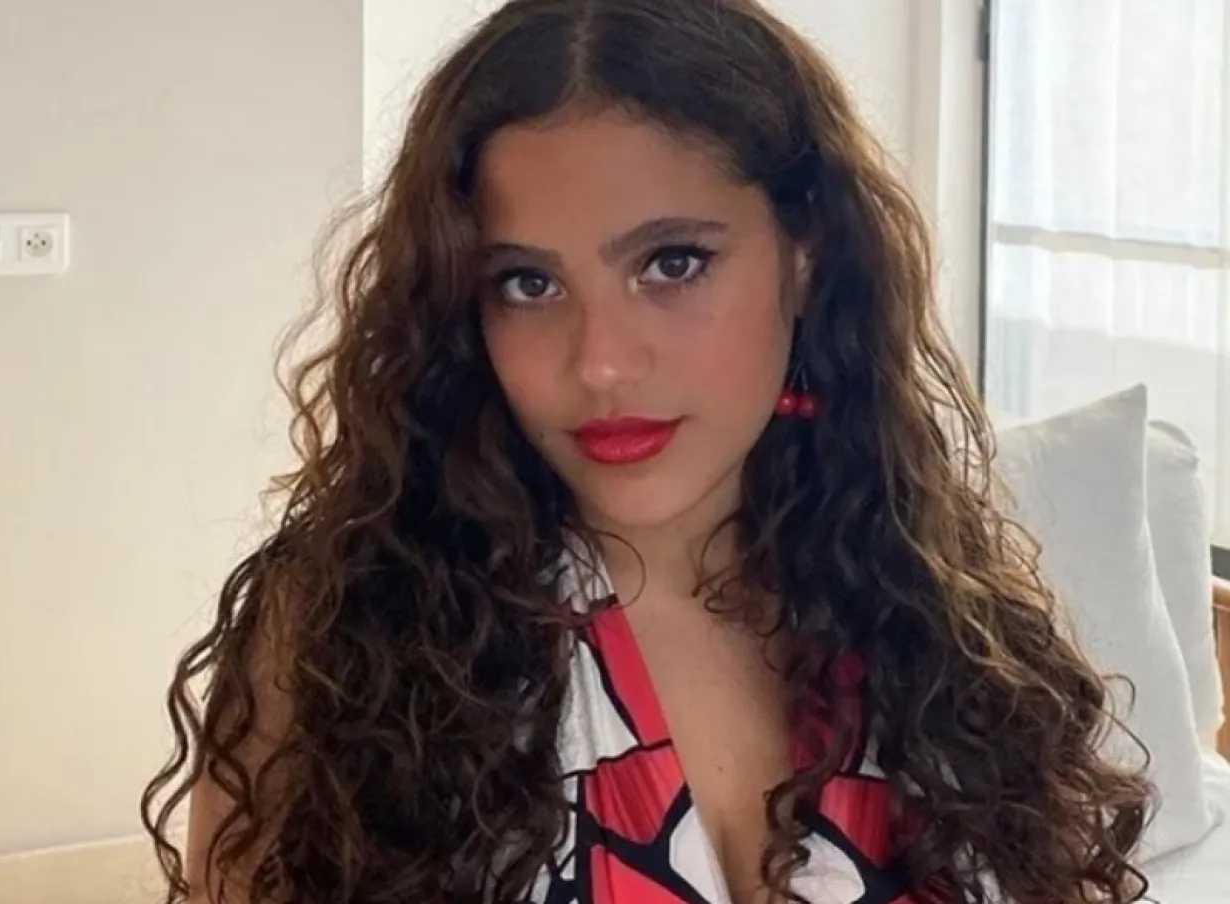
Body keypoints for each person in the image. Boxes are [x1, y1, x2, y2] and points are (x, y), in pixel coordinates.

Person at [141, 1, 1153, 902]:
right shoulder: (342, 638)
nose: (602, 363)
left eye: (672, 263)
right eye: (528, 284)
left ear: (805, 255)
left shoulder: (941, 619)